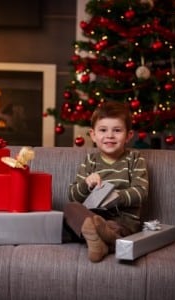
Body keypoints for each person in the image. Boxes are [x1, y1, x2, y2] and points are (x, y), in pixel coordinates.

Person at [63, 101, 149, 263]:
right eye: (103, 130)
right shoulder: (90, 161)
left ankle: (102, 238)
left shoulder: (135, 158)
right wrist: (86, 184)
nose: (109, 135)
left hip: (123, 222)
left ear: (128, 136)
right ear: (93, 135)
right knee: (70, 208)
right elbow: (73, 195)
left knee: (114, 228)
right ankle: (100, 240)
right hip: (93, 216)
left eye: (117, 130)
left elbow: (141, 191)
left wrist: (117, 196)